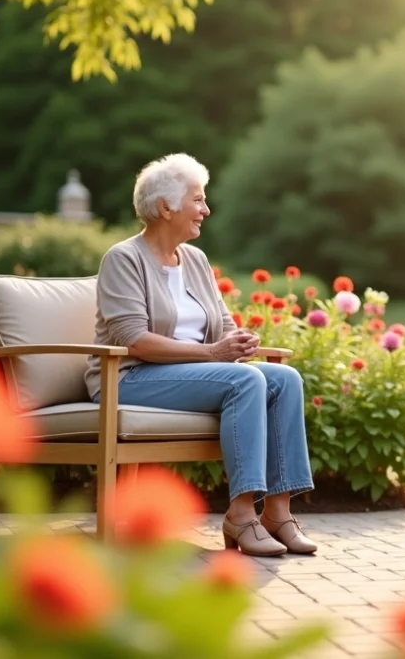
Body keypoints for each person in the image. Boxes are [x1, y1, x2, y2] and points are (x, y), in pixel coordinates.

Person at [85, 153, 315, 557]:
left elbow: (222, 322)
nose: (206, 210)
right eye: (198, 199)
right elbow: (134, 339)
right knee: (247, 379)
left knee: (285, 379)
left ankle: (278, 513)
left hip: (190, 374)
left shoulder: (195, 260)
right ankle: (241, 515)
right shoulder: (123, 259)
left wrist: (235, 341)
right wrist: (212, 352)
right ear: (165, 207)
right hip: (129, 377)